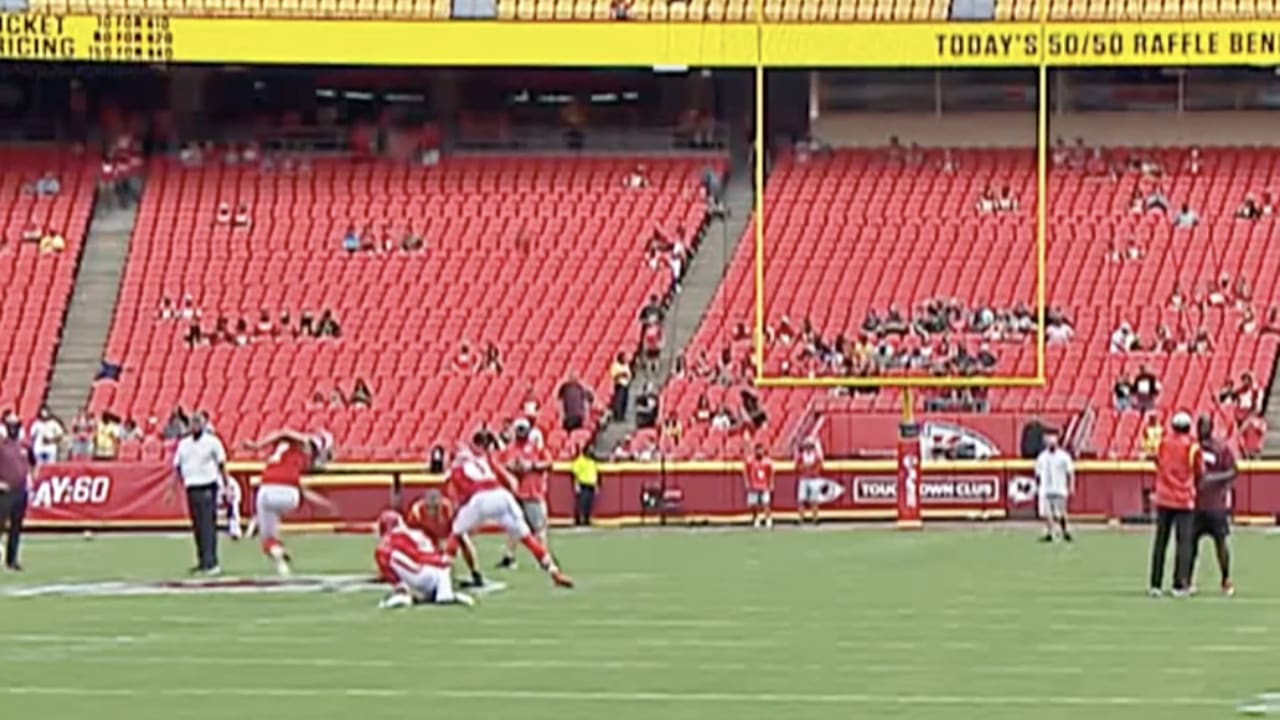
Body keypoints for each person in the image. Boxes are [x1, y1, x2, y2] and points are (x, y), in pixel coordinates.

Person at [441, 432, 573, 588]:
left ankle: (442, 577)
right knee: (526, 536)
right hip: (501, 495)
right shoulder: (483, 459)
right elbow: (505, 477)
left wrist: (461, 512)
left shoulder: (456, 468)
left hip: (479, 497)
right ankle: (554, 571)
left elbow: (457, 494)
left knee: (456, 534)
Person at [239, 429, 338, 576]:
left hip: (265, 491)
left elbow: (283, 433)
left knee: (267, 539)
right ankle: (281, 561)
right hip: (288, 495)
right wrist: (257, 445)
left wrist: (257, 446)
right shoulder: (303, 448)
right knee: (271, 538)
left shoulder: (289, 453)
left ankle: (262, 528)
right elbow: (285, 433)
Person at [1149, 412, 1204, 598]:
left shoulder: (1163, 443)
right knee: (1183, 543)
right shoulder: (1192, 447)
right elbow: (1199, 470)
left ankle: (1155, 584)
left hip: (1164, 497)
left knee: (1160, 542)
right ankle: (1179, 585)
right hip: (1183, 499)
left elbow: (1157, 462)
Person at [374, 510, 473, 609]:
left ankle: (406, 595)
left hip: (409, 575)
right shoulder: (416, 533)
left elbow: (388, 562)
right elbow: (425, 555)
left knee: (388, 558)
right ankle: (445, 594)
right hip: (428, 572)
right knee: (443, 566)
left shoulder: (386, 543)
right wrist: (441, 560)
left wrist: (399, 584)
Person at [170, 412, 227, 575]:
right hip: (192, 486)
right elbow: (178, 467)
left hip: (207, 485)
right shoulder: (184, 444)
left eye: (198, 423)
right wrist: (173, 487)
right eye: (193, 423)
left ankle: (212, 561)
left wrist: (226, 484)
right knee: (197, 525)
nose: (195, 426)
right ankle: (202, 560)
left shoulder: (212, 442)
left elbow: (221, 463)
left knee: (208, 524)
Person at [496, 419, 553, 570]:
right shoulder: (510, 449)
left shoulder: (535, 448)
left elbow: (548, 463)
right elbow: (499, 465)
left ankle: (544, 557)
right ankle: (509, 556)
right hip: (515, 493)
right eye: (519, 429)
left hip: (532, 493)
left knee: (538, 528)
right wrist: (511, 467)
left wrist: (532, 466)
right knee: (513, 526)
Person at [1191, 415, 1235, 596]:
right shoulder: (1193, 449)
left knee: (1221, 544)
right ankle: (1187, 580)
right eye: (1200, 426)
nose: (1202, 430)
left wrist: (1213, 480)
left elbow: (1233, 470)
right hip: (1195, 504)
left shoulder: (1221, 449)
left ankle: (1225, 579)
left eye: (1205, 426)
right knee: (1190, 545)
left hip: (1215, 504)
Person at [0, 411, 33, 570]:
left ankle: (12, 560)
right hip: (5, 491)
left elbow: (33, 462)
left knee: (16, 527)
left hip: (21, 490)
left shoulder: (24, 445)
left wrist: (30, 478)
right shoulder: (1, 445)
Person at [1034, 431, 1075, 543]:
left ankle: (1065, 530)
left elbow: (1070, 472)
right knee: (1047, 513)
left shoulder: (1064, 456)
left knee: (1061, 513)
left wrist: (1071, 485)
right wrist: (1038, 487)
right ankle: (1051, 533)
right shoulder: (1042, 457)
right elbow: (1037, 473)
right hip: (1045, 489)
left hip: (1059, 488)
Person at [795, 437, 825, 525]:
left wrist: (808, 469)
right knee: (801, 500)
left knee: (814, 500)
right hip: (803, 479)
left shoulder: (816, 456)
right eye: (806, 446)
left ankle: (815, 518)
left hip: (814, 479)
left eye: (810, 446)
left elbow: (819, 467)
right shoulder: (801, 456)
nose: (808, 447)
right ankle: (801, 518)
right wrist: (806, 468)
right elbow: (797, 467)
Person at [743, 443, 774, 529]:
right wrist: (747, 483)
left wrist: (771, 483)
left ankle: (768, 519)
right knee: (753, 504)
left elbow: (771, 473)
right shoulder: (750, 461)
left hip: (764, 485)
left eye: (761, 450)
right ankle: (756, 519)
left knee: (766, 503)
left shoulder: (767, 461)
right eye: (758, 450)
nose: (759, 452)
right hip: (753, 485)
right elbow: (746, 472)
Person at [570, 445, 599, 527]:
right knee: (581, 503)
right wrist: (576, 484)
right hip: (583, 484)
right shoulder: (580, 460)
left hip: (591, 485)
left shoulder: (592, 462)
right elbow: (575, 473)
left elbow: (595, 474)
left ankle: (587, 519)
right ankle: (579, 520)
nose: (591, 452)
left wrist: (596, 485)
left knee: (589, 503)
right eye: (590, 450)